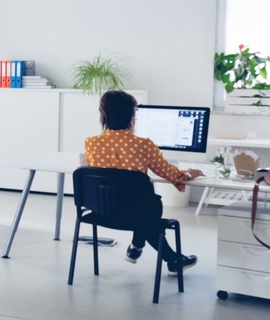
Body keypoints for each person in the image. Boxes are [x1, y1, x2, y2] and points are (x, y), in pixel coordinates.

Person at [83, 90, 202, 274]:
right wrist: (189, 174)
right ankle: (142, 246)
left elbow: (102, 176)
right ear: (132, 116)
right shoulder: (143, 145)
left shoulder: (91, 143)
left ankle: (154, 253)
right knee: (151, 210)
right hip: (136, 213)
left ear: (103, 115)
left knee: (145, 211)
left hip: (102, 211)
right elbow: (170, 173)